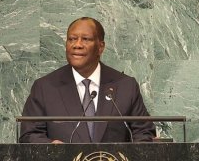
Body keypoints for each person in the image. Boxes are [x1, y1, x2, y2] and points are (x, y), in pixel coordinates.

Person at [19, 17, 156, 143]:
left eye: (85, 39)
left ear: (100, 47)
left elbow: (144, 132)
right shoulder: (45, 88)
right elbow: (29, 135)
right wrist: (51, 147)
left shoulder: (125, 86)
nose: (77, 45)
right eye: (72, 39)